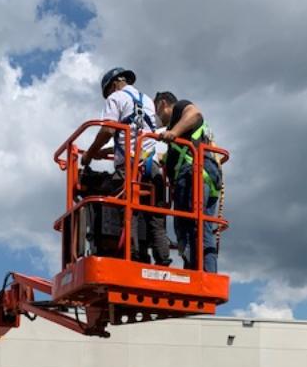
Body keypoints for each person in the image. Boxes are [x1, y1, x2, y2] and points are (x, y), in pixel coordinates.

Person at [80, 68, 171, 265]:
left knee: (126, 211)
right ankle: (163, 261)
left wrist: (89, 154)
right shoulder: (146, 100)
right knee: (155, 217)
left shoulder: (116, 98)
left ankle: (134, 258)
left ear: (113, 85)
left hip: (129, 168)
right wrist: (105, 152)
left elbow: (108, 130)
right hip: (152, 166)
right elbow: (135, 134)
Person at [154, 91, 222, 272]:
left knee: (191, 227)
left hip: (194, 174)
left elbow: (195, 114)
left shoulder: (180, 108)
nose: (158, 117)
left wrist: (172, 132)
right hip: (205, 175)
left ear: (162, 104)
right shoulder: (187, 134)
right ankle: (204, 273)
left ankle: (198, 274)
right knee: (201, 228)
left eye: (157, 111)